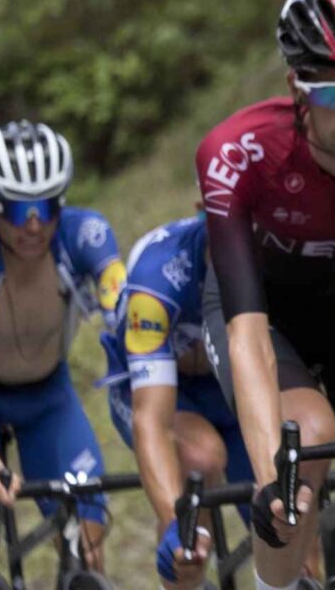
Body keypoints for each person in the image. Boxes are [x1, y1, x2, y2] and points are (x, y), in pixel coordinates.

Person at [195, 0, 335, 589]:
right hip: (266, 316)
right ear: (296, 87)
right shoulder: (238, 152)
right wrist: (271, 477)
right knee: (304, 446)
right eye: (329, 96)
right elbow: (247, 335)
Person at [0, 120, 127, 589]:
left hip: (46, 394)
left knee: (90, 533)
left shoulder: (88, 234)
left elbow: (128, 312)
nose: (34, 224)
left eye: (47, 205)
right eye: (17, 210)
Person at [98, 215, 252, 589]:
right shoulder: (159, 274)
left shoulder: (275, 254)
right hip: (160, 387)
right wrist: (174, 524)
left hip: (224, 383)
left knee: (293, 530)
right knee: (198, 460)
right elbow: (153, 422)